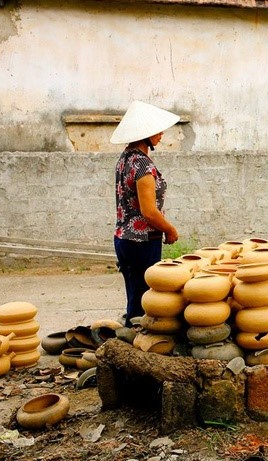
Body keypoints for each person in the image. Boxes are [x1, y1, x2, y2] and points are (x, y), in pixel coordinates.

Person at [110, 100, 180, 327]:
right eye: (157, 130)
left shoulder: (124, 159)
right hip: (141, 242)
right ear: (145, 134)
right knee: (144, 301)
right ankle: (135, 345)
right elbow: (149, 211)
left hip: (124, 239)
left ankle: (129, 339)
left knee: (134, 296)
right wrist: (169, 229)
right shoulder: (142, 166)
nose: (161, 134)